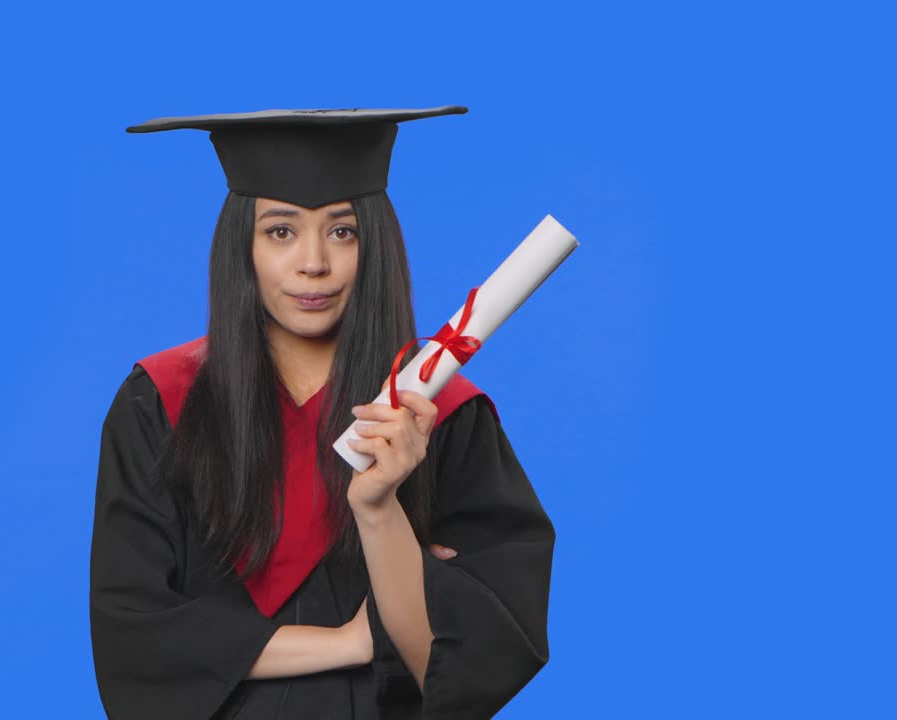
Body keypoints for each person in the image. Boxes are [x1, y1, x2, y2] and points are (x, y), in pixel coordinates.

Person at [90, 106, 556, 719]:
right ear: (243, 247)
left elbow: (455, 678)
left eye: (343, 231)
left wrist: (378, 506)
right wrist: (348, 643)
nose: (314, 262)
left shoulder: (440, 417)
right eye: (280, 231)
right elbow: (136, 644)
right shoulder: (161, 404)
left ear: (376, 245)